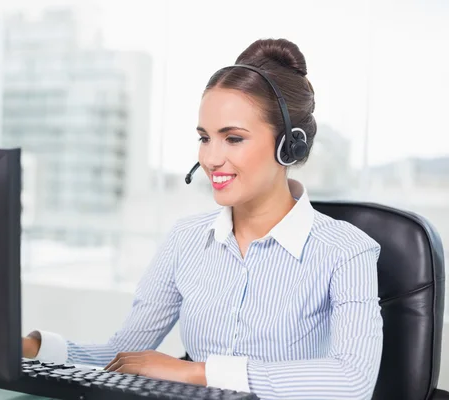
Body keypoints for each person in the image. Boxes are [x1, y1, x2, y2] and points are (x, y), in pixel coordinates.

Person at [22, 38, 384, 400]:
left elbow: (352, 380)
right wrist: (28, 348)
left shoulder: (346, 251)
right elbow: (123, 354)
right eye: (204, 138)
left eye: (233, 139)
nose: (211, 159)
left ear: (290, 145)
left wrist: (195, 372)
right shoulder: (186, 239)